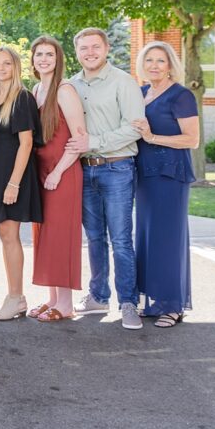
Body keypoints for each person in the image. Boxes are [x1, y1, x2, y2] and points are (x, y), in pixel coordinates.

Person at [65, 27, 146, 330]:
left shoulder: (123, 82)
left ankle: (128, 303)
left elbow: (135, 128)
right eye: (83, 48)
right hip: (84, 170)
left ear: (107, 48)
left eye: (95, 47)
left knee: (121, 240)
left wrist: (94, 143)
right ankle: (98, 295)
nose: (89, 53)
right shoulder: (71, 85)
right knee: (95, 238)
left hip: (117, 168)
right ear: (77, 52)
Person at [132, 41, 199, 328]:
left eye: (160, 61)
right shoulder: (142, 92)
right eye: (149, 61)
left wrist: (152, 137)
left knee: (168, 239)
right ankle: (154, 302)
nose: (154, 66)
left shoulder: (181, 95)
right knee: (146, 238)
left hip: (170, 175)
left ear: (171, 65)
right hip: (145, 176)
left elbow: (191, 139)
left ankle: (172, 306)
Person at [28, 36, 85, 322]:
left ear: (58, 59)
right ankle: (52, 298)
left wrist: (58, 172)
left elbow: (79, 138)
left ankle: (66, 304)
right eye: (39, 54)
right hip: (41, 173)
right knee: (45, 235)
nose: (44, 59)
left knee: (61, 236)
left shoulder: (65, 90)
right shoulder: (37, 89)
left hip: (62, 172)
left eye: (49, 54)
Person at [0, 47, 42, 321]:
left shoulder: (21, 97)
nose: (1, 67)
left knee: (10, 236)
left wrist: (14, 184)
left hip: (13, 175)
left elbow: (26, 143)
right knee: (5, 236)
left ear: (16, 67)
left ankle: (16, 297)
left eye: (7, 63)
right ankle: (14, 296)